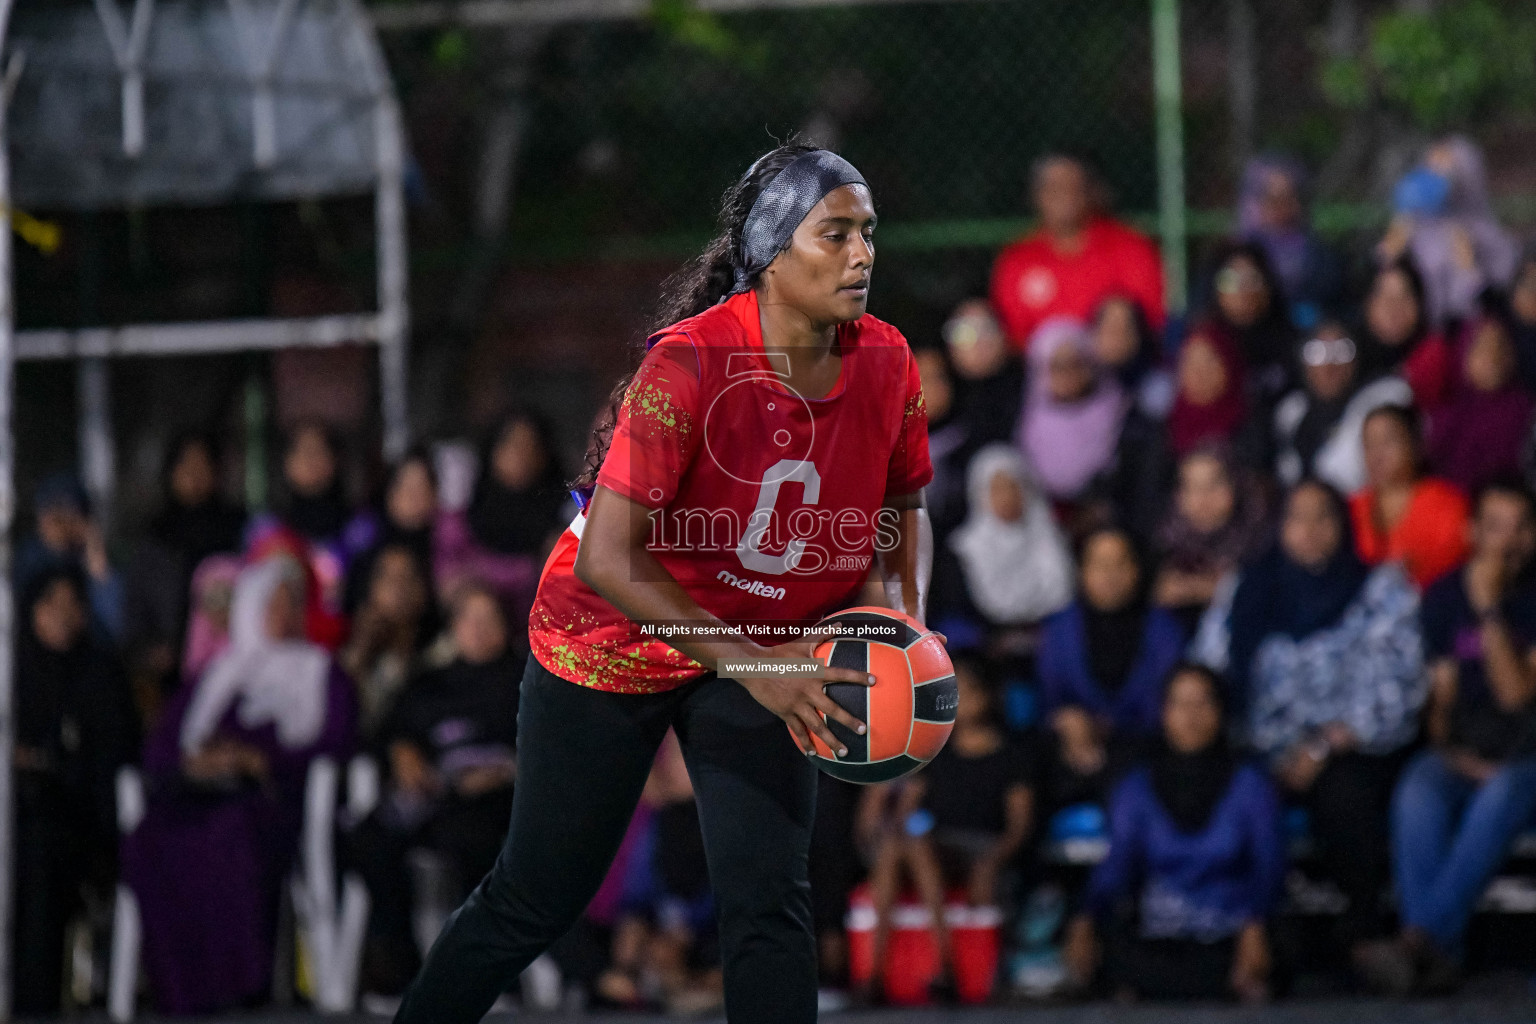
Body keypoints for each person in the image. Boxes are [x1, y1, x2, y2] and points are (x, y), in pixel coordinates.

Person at [390, 144, 937, 1024]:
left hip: (760, 641)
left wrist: (903, 623)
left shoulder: (886, 360)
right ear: (768, 251)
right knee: (536, 895)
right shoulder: (688, 366)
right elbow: (610, 560)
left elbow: (903, 504)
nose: (863, 255)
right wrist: (763, 670)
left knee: (768, 904)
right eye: (835, 235)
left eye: (868, 234)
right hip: (610, 638)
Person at [1193, 480, 1424, 959]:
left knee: (1346, 794)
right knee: (1238, 789)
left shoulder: (1379, 589)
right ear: (1280, 527)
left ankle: (1363, 935)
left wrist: (1322, 745)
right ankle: (1254, 938)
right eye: (1297, 518)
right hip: (1255, 744)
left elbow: (1395, 688)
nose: (1311, 530)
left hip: (1350, 746)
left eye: (1324, 517)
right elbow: (1209, 671)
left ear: (1343, 526)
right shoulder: (1247, 588)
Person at [121, 555, 356, 1014]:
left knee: (229, 835)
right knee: (150, 839)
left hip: (268, 800)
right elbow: (161, 749)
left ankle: (238, 989)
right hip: (197, 795)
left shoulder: (321, 672)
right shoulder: (215, 675)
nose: (284, 616)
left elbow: (336, 743)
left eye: (293, 605)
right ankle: (178, 989)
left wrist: (261, 759)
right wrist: (200, 762)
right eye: (274, 604)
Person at [1356, 479, 1536, 995]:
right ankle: (1436, 954)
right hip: (1466, 752)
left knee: (1502, 790)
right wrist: (1449, 751)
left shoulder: (1514, 598)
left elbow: (1517, 697)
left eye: (1523, 527)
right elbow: (1441, 701)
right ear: (1473, 531)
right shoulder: (1443, 595)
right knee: (1419, 787)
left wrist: (1488, 610)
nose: (1509, 540)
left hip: (1526, 758)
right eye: (1497, 527)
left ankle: (1419, 943)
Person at [1063, 664, 1284, 1003]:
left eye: (1203, 704)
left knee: (1284, 941)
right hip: (1159, 937)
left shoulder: (1250, 784)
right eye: (1180, 704)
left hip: (1233, 932)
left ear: (1221, 710)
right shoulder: (1137, 785)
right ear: (1164, 712)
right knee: (1111, 946)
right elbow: (1118, 863)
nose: (1191, 716)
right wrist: (1086, 915)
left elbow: (1270, 865)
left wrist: (1254, 924)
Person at [347, 584, 520, 997]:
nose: (477, 630)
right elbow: (389, 731)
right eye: (468, 620)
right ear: (454, 628)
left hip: (499, 799)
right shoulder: (430, 681)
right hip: (436, 796)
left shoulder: (523, 678)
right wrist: (401, 750)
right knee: (368, 839)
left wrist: (504, 771)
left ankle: (483, 975)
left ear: (504, 628)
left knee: (472, 840)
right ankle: (400, 969)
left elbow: (549, 746)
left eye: (487, 620)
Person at [859, 657, 1033, 998]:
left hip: (982, 847)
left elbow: (1019, 827)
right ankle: (876, 975)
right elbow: (907, 808)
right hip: (937, 847)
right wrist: (879, 828)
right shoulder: (935, 749)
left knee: (914, 845)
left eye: (968, 690)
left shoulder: (1014, 755)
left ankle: (945, 967)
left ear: (989, 696)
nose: (959, 699)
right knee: (903, 844)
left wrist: (991, 863)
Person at [12, 567, 139, 1015]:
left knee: (39, 856)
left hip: (78, 819)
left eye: (73, 606)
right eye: (53, 606)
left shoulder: (98, 674)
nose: (63, 617)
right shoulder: (14, 673)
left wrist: (49, 762)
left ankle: (34, 999)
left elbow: (111, 756)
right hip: (17, 812)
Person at [1036, 527, 1186, 812]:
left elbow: (1167, 706)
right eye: (1099, 564)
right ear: (1082, 571)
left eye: (1120, 563)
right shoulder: (1058, 630)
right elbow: (1049, 700)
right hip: (1070, 750)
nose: (1110, 575)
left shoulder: (1166, 630)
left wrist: (1105, 730)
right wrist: (1069, 722)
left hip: (1142, 750)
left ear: (1137, 570)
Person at [989, 153, 1164, 350]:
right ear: (1036, 196)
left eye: (1071, 186)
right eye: (1052, 187)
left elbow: (1152, 320)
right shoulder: (1017, 258)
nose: (1062, 195)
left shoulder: (1130, 247)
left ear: (1089, 192)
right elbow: (1012, 335)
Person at [122, 431, 245, 703]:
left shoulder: (238, 531)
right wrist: (150, 651)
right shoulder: (155, 538)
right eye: (185, 465)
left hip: (236, 670)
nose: (194, 474)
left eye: (203, 465)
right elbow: (135, 614)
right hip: (172, 681)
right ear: (170, 473)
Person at [435, 410, 569, 648]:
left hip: (541, 648)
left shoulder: (566, 519)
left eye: (531, 446)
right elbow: (446, 586)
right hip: (466, 644)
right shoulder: (462, 516)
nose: (521, 454)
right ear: (493, 449)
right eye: (511, 443)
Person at [1377, 135, 1519, 326]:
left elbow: (1498, 301)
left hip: (1472, 332)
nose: (1434, 173)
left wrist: (1469, 270)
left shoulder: (1488, 235)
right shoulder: (1415, 226)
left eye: (1444, 166)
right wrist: (1388, 254)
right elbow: (1384, 283)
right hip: (1425, 333)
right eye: (1431, 164)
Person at [1272, 318, 1413, 493]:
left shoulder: (1381, 401)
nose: (1329, 365)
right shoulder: (1290, 412)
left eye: (1341, 351)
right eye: (1317, 353)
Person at [947, 444, 1074, 629]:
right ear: (979, 493)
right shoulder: (963, 550)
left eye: (1013, 486)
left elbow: (1062, 597)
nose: (1007, 497)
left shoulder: (1051, 537)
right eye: (997, 489)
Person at [1350, 404, 1470, 590]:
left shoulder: (1448, 504)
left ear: (1417, 445)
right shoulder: (1350, 508)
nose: (1377, 454)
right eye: (1369, 444)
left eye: (1388, 442)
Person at [1152, 444, 1270, 623]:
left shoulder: (1265, 541)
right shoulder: (1161, 546)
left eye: (1214, 484)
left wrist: (1212, 590)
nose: (1203, 499)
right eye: (1192, 487)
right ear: (1178, 496)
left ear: (1237, 486)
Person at [1017, 317, 1129, 503]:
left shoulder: (1121, 412)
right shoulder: (1025, 420)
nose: (1068, 374)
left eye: (1076, 362)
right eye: (1057, 366)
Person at [1426, 311, 1534, 494]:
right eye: (1481, 347)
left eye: (1501, 347)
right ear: (1463, 353)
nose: (1493, 357)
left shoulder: (1526, 411)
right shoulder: (1443, 411)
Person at [341, 542, 439, 739]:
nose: (398, 587)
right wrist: (361, 651)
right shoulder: (347, 649)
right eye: (387, 577)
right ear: (370, 587)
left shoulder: (443, 649)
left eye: (408, 577)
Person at [1236, 154, 1343, 327]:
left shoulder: (1322, 259)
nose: (1281, 206)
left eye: (1289, 196)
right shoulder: (1235, 257)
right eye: (1271, 198)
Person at [15, 471, 123, 643]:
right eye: (55, 516)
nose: (63, 527)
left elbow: (119, 626)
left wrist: (97, 562)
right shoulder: (26, 559)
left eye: (71, 516)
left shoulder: (94, 564)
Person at [343, 449, 442, 615]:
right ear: (390, 490)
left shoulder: (444, 547)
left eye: (422, 486)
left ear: (435, 495)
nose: (412, 495)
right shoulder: (363, 540)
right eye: (405, 484)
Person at [1197, 240, 1296, 402]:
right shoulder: (1204, 345)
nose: (1243, 290)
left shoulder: (1290, 343)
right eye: (1230, 281)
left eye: (1252, 279)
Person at [1360, 256, 1455, 409]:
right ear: (1367, 305)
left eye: (1405, 296)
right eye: (1383, 296)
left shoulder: (1438, 357)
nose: (1393, 307)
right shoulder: (1348, 359)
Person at [1166, 320, 1253, 462]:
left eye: (1209, 362)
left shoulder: (1252, 425)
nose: (1200, 373)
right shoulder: (1167, 431)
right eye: (1191, 362)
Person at [1091, 294, 1173, 419]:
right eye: (1110, 327)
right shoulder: (1077, 388)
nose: (1118, 335)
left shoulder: (1158, 390)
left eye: (1126, 327)